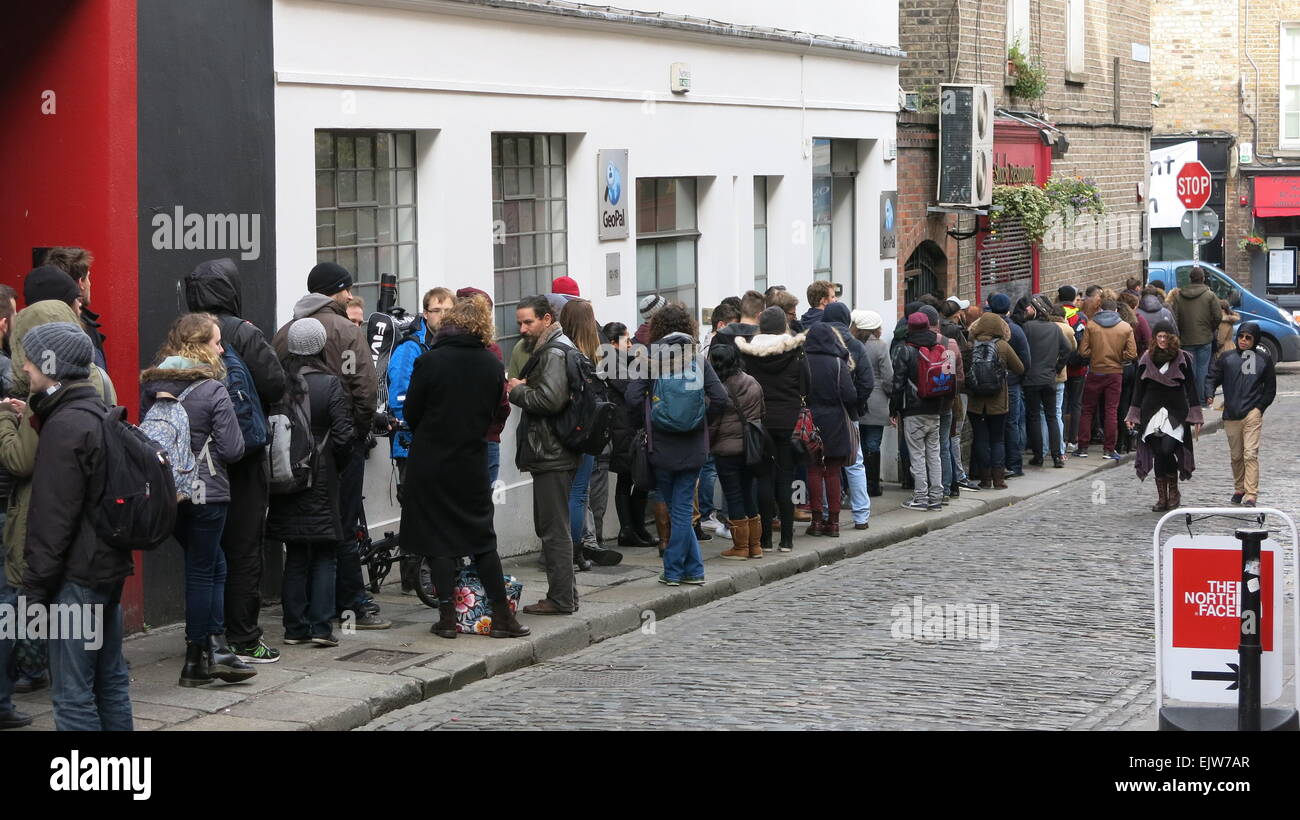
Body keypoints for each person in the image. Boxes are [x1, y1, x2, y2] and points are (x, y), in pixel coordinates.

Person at [0, 269, 117, 697]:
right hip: (102, 547)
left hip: (63, 550)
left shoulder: (50, 406)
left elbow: (23, 463)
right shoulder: (97, 382)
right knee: (107, 672)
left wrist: (6, 419)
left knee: (73, 688)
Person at [19, 323, 132, 729]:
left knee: (71, 696)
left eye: (31, 358)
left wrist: (34, 588)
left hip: (76, 579)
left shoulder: (64, 425)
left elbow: (54, 518)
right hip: (108, 572)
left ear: (52, 365)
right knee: (111, 682)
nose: (26, 366)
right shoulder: (97, 413)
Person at [401, 297, 531, 639]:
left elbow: (412, 412)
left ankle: (447, 619)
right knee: (482, 540)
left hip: (430, 462)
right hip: (471, 460)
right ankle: (503, 617)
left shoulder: (429, 362)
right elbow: (494, 411)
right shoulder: (491, 365)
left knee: (438, 540)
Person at [183, 257, 288, 663]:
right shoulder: (241, 332)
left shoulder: (184, 331)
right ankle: (243, 637)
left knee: (206, 551)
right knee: (244, 547)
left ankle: (205, 636)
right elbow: (275, 381)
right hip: (241, 455)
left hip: (197, 459)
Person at [271, 262, 386, 628]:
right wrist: (355, 435)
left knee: (300, 531)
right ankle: (351, 605)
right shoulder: (346, 331)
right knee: (341, 524)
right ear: (331, 292)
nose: (351, 296)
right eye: (346, 289)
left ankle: (302, 613)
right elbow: (365, 391)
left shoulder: (283, 333)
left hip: (293, 450)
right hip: (339, 445)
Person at [141, 313, 252, 686]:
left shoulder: (153, 385)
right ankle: (196, 658)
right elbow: (234, 448)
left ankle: (213, 651)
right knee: (204, 569)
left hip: (168, 493)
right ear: (200, 346)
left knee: (211, 564)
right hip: (207, 490)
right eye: (216, 342)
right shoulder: (213, 389)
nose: (222, 349)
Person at [267, 318, 354, 646]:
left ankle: (294, 629)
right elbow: (344, 434)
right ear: (320, 346)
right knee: (324, 552)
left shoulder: (279, 383)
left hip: (287, 477)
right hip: (322, 475)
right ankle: (321, 627)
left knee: (296, 553)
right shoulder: (330, 384)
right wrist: (337, 466)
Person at [625, 304, 727, 584]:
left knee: (675, 509)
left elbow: (633, 399)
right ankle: (694, 571)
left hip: (660, 444)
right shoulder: (697, 357)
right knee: (681, 509)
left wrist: (645, 423)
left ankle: (672, 571)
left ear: (657, 329)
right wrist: (701, 419)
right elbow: (720, 398)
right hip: (693, 445)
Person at [508, 295, 580, 614]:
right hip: (557, 450)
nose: (522, 328)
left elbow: (550, 401)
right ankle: (566, 596)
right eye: (520, 323)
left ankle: (561, 598)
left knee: (553, 530)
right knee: (553, 527)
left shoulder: (553, 352)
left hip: (553, 452)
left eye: (528, 322)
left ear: (547, 319)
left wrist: (517, 390)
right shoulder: (559, 345)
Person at [736, 307, 807, 552]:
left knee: (764, 479)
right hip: (788, 422)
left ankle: (765, 539)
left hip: (760, 422)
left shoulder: (749, 353)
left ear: (761, 325)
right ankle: (786, 539)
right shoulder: (796, 352)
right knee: (785, 480)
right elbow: (807, 386)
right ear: (783, 326)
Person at [559, 299, 621, 568]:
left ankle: (572, 551)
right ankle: (580, 549)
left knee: (570, 494)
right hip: (591, 431)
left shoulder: (564, 351)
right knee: (580, 493)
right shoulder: (597, 353)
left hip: (571, 429)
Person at [1126, 321, 1203, 511]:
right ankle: (1163, 498)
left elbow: (1191, 388)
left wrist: (1196, 416)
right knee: (1158, 453)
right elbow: (1138, 389)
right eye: (1159, 336)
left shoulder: (1182, 359)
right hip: (1150, 411)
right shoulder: (1146, 358)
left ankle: (1174, 491)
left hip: (1175, 411)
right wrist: (1133, 415)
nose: (1162, 340)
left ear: (1172, 338)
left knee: (1167, 449)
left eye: (1166, 337)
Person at [387, 287, 454, 481]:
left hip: (443, 445)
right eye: (437, 310)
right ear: (425, 313)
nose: (443, 316)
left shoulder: (449, 344)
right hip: (413, 446)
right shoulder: (411, 347)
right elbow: (399, 398)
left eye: (448, 311)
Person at [601, 322, 658, 548]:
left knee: (639, 479)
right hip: (623, 427)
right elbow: (631, 390)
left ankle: (637, 526)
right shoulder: (613, 363)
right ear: (614, 343)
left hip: (632, 426)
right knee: (627, 478)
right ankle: (628, 529)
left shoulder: (625, 361)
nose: (631, 344)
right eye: (626, 340)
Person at [1208, 321, 1276, 507]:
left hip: (1252, 413)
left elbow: (1270, 389)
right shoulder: (1227, 358)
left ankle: (1251, 494)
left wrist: (1259, 408)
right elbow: (1212, 377)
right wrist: (1209, 393)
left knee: (1250, 454)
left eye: (1248, 338)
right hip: (1231, 413)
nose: (1244, 341)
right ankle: (1239, 488)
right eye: (1241, 337)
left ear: (1255, 340)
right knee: (1236, 455)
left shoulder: (1263, 359)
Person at [710, 344, 766, 559]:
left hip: (727, 450)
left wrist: (709, 441)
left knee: (733, 496)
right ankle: (756, 546)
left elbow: (713, 421)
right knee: (748, 494)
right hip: (751, 448)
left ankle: (740, 548)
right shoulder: (752, 381)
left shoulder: (718, 387)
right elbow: (762, 412)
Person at [804, 321, 860, 533]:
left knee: (814, 470)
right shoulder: (837, 363)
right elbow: (851, 395)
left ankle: (816, 521)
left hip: (809, 420)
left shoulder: (804, 361)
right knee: (833, 472)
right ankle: (834, 522)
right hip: (835, 420)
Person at [890, 313, 949, 510]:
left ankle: (921, 497)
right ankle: (937, 497)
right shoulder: (940, 347)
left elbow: (897, 384)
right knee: (934, 454)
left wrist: (894, 409)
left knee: (917, 455)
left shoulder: (905, 351)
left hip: (913, 410)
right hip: (935, 408)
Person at [964, 311, 1025, 489]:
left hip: (976, 404)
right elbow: (1020, 368)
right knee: (997, 440)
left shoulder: (970, 345)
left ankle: (985, 479)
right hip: (998, 402)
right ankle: (999, 480)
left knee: (981, 439)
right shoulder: (1003, 346)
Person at [1077, 299, 1137, 460]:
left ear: (1100, 309)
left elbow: (1083, 351)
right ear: (1116, 310)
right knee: (1111, 410)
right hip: (1115, 372)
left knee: (1087, 409)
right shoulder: (1125, 327)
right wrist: (1118, 356)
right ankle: (1109, 449)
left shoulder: (1091, 325)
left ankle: (1082, 447)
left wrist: (1096, 355)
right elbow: (1132, 354)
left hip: (1095, 371)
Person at [1021, 294, 1071, 468]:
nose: (1026, 310)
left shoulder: (1027, 327)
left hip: (1031, 379)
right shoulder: (1055, 328)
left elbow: (1022, 352)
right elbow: (1067, 349)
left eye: (1029, 308)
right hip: (1049, 378)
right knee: (1052, 417)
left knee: (1034, 417)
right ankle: (1057, 456)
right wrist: (1056, 367)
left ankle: (1039, 456)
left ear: (1036, 310)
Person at [986, 293, 1031, 478]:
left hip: (987, 384)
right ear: (1008, 309)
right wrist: (1016, 378)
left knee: (991, 428)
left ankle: (993, 466)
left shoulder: (982, 329)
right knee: (1011, 424)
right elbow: (1026, 362)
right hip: (1011, 384)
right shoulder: (1015, 330)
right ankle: (1013, 464)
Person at [918, 305, 960, 503]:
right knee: (943, 446)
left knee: (923, 450)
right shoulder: (950, 343)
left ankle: (926, 489)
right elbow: (958, 376)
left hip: (925, 403)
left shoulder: (915, 345)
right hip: (946, 402)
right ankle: (946, 489)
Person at [41, 247, 106, 370]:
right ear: (81, 283)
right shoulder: (83, 332)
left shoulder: (38, 326)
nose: (90, 284)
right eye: (88, 277)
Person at [851, 309, 892, 497]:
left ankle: (859, 485)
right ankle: (873, 485)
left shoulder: (852, 345)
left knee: (858, 444)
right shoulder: (881, 347)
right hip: (877, 401)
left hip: (857, 398)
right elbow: (888, 377)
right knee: (873, 444)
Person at [1168, 267, 1221, 407]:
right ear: (1203, 278)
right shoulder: (1210, 295)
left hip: (1186, 339)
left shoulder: (1179, 296)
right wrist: (1211, 328)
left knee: (1189, 371)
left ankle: (1190, 401)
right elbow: (1218, 316)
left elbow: (1175, 318)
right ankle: (1201, 402)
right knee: (1203, 370)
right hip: (1205, 338)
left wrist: (1179, 333)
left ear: (1190, 279)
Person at [1056, 286, 1089, 454]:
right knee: (1076, 404)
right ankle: (1073, 440)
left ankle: (1060, 438)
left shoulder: (1054, 315)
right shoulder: (1080, 317)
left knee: (1061, 405)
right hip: (1078, 368)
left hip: (1060, 368)